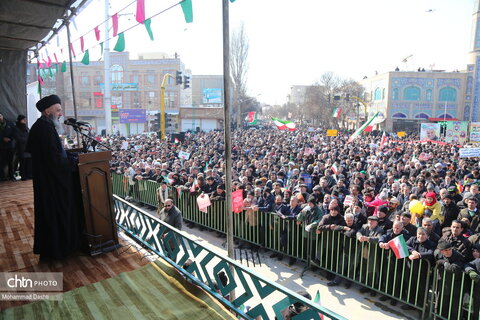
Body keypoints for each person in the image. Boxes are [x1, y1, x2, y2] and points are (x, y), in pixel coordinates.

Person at [25, 95, 84, 261]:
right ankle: (59, 249)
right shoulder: (44, 128)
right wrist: (74, 162)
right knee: (55, 214)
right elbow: (54, 160)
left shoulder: (43, 126)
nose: (60, 113)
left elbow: (55, 154)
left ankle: (57, 248)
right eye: (57, 110)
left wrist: (71, 158)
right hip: (52, 184)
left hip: (48, 181)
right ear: (47, 110)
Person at [12, 115, 32, 180]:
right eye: (23, 120)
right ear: (20, 120)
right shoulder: (16, 128)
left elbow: (29, 135)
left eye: (25, 119)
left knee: (28, 162)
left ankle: (29, 175)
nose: (25, 121)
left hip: (28, 147)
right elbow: (18, 137)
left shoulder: (26, 128)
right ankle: (23, 176)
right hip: (21, 148)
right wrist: (26, 139)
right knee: (23, 163)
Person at [0, 112, 15, 181]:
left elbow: (14, 133)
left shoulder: (10, 123)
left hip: (9, 146)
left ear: (2, 116)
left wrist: (10, 139)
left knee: (10, 162)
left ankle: (11, 176)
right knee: (1, 162)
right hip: (1, 146)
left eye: (0, 116)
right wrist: (2, 138)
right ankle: (2, 177)